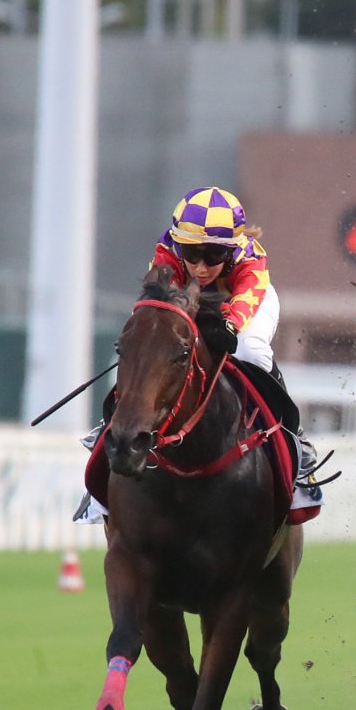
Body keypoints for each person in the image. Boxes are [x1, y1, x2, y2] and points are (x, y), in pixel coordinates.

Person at [91, 188, 320, 487]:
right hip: (190, 306)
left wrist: (230, 324)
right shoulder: (167, 250)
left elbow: (245, 300)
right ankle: (113, 426)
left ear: (231, 250)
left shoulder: (250, 260)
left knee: (250, 350)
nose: (200, 267)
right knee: (150, 348)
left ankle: (291, 434)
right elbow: (161, 300)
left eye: (213, 255)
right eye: (191, 253)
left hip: (242, 303)